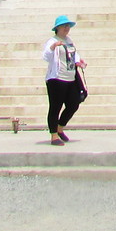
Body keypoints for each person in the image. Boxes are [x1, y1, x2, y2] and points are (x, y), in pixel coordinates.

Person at [42, 16, 86, 145]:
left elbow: (73, 55)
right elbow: (46, 56)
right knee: (55, 106)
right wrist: (53, 47)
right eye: (64, 26)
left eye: (68, 26)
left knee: (74, 103)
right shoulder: (52, 41)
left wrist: (79, 61)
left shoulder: (69, 41)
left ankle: (60, 127)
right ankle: (54, 135)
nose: (67, 29)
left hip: (70, 77)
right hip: (57, 79)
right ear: (57, 28)